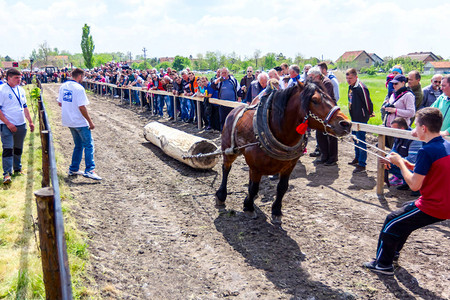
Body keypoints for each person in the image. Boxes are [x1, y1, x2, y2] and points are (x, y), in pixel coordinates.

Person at [363, 107, 450, 276]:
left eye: (416, 126)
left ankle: (383, 264)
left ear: (423, 128)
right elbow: (431, 170)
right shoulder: (444, 144)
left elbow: (414, 185)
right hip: (445, 201)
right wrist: (406, 164)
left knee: (391, 220)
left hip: (435, 205)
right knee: (403, 218)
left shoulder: (426, 150)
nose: (413, 130)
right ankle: (393, 254)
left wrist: (400, 163)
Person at [57, 68, 102, 180]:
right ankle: (90, 170)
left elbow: (60, 103)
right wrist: (90, 121)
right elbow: (82, 107)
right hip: (79, 121)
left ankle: (74, 168)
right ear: (80, 76)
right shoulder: (79, 88)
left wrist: (69, 109)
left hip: (69, 121)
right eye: (83, 77)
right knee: (88, 145)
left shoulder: (63, 86)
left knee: (78, 145)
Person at [0, 68, 35, 184]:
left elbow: (24, 106)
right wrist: (8, 123)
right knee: (8, 148)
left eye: (20, 77)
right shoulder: (2, 90)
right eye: (16, 78)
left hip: (21, 124)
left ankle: (17, 168)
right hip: (6, 125)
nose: (19, 80)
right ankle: (7, 174)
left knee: (18, 148)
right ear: (8, 78)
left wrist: (30, 121)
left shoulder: (21, 90)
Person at [381, 117, 423, 196]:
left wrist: (396, 161)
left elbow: (412, 159)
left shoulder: (414, 139)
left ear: (402, 129)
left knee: (405, 166)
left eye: (394, 129)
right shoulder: (398, 136)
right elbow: (394, 150)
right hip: (403, 161)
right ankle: (406, 182)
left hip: (415, 166)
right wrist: (388, 158)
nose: (393, 132)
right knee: (384, 161)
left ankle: (417, 187)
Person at [308, 66, 338, 166]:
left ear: (317, 76)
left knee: (331, 135)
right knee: (320, 134)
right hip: (321, 112)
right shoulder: (316, 83)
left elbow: (325, 98)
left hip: (329, 111)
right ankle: (324, 156)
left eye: (311, 77)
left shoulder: (327, 82)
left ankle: (333, 158)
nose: (310, 79)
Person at [346, 68, 373, 173]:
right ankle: (357, 158)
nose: (348, 80)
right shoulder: (351, 87)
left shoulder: (361, 87)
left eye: (351, 78)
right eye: (347, 78)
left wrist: (369, 113)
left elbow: (367, 102)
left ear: (356, 77)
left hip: (361, 118)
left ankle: (362, 163)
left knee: (361, 140)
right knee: (355, 138)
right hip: (354, 118)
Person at [382, 74, 415, 148]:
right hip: (390, 127)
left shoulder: (408, 95)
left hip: (400, 128)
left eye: (396, 83)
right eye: (393, 83)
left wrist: (395, 110)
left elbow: (411, 113)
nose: (394, 85)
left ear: (403, 83)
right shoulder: (393, 94)